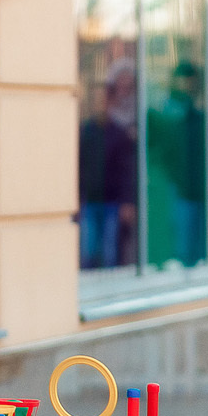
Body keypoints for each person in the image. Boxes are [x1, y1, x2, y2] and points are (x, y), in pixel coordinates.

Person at [78, 61, 138, 269]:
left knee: (111, 254)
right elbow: (78, 169)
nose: (100, 104)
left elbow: (125, 172)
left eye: (104, 100)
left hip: (112, 203)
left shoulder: (119, 134)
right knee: (88, 253)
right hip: (90, 201)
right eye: (96, 101)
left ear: (111, 102)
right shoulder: (84, 132)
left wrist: (126, 202)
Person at [149, 60, 207, 266]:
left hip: (197, 189)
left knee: (196, 248)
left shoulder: (200, 117)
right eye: (183, 81)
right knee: (178, 247)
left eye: (190, 82)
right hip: (174, 187)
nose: (187, 86)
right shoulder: (164, 114)